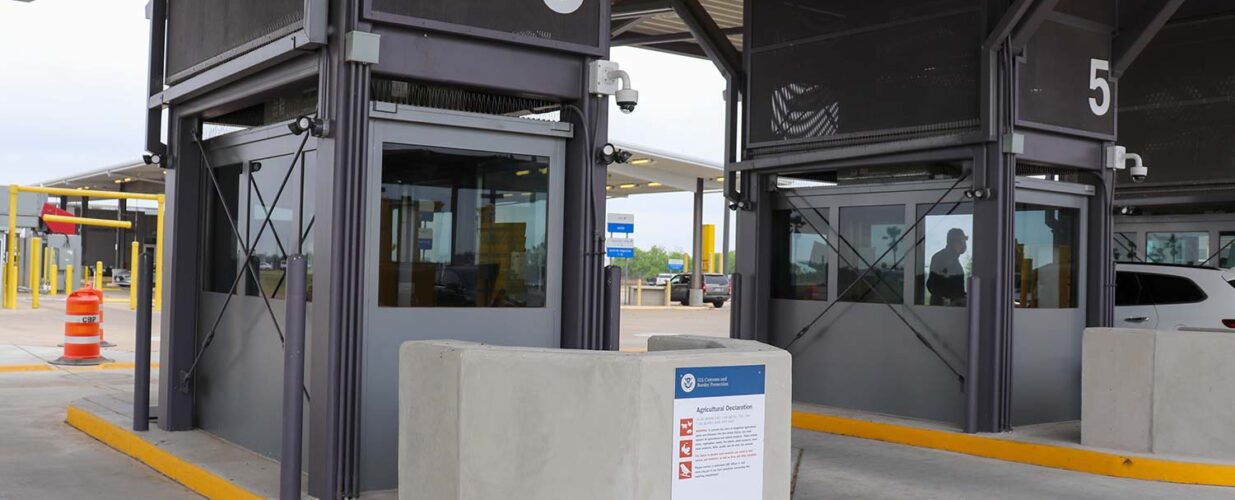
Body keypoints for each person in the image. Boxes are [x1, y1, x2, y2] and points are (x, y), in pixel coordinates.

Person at [928, 228, 968, 306]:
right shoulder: (945, 259)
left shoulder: (952, 259)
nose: (964, 244)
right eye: (963, 240)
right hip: (944, 311)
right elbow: (933, 285)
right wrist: (953, 300)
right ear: (956, 241)